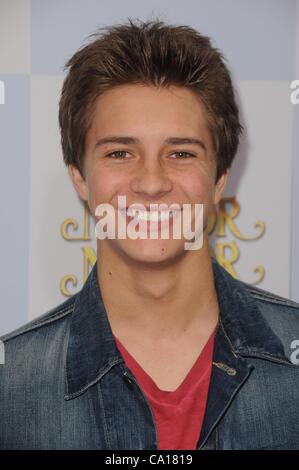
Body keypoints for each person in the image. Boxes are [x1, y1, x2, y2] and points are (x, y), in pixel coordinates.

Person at [1, 18, 299, 451]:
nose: (152, 182)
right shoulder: (11, 386)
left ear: (219, 179)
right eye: (120, 153)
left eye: (180, 153)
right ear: (80, 179)